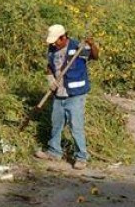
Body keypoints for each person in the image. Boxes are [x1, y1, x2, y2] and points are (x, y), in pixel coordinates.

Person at [36, 24, 100, 170]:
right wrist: (50, 79)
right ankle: (54, 152)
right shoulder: (52, 49)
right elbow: (49, 67)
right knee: (56, 123)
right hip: (59, 93)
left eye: (56, 41)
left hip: (75, 94)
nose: (53, 44)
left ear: (63, 37)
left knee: (75, 125)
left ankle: (81, 157)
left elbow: (95, 57)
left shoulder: (77, 47)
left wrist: (92, 45)